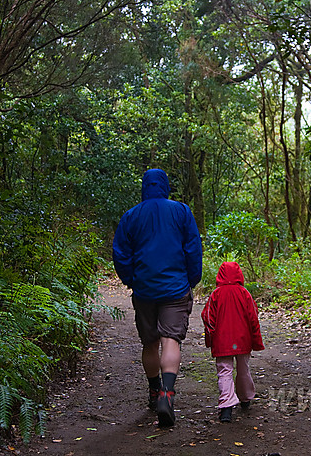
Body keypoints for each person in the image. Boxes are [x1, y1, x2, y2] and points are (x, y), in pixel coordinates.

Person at [112, 168, 203, 428]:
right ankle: (167, 394)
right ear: (165, 185)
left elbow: (120, 253)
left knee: (150, 343)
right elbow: (193, 248)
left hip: (145, 291)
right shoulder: (182, 211)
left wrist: (132, 280)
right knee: (171, 339)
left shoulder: (131, 216)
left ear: (144, 187)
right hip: (175, 289)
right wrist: (190, 281)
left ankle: (154, 391)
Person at [200, 261, 265, 423]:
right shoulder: (245, 293)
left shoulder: (216, 294)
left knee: (224, 371)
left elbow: (208, 318)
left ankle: (226, 407)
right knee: (243, 369)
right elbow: (253, 318)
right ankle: (245, 398)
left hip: (222, 341)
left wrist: (211, 338)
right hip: (243, 340)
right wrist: (256, 340)